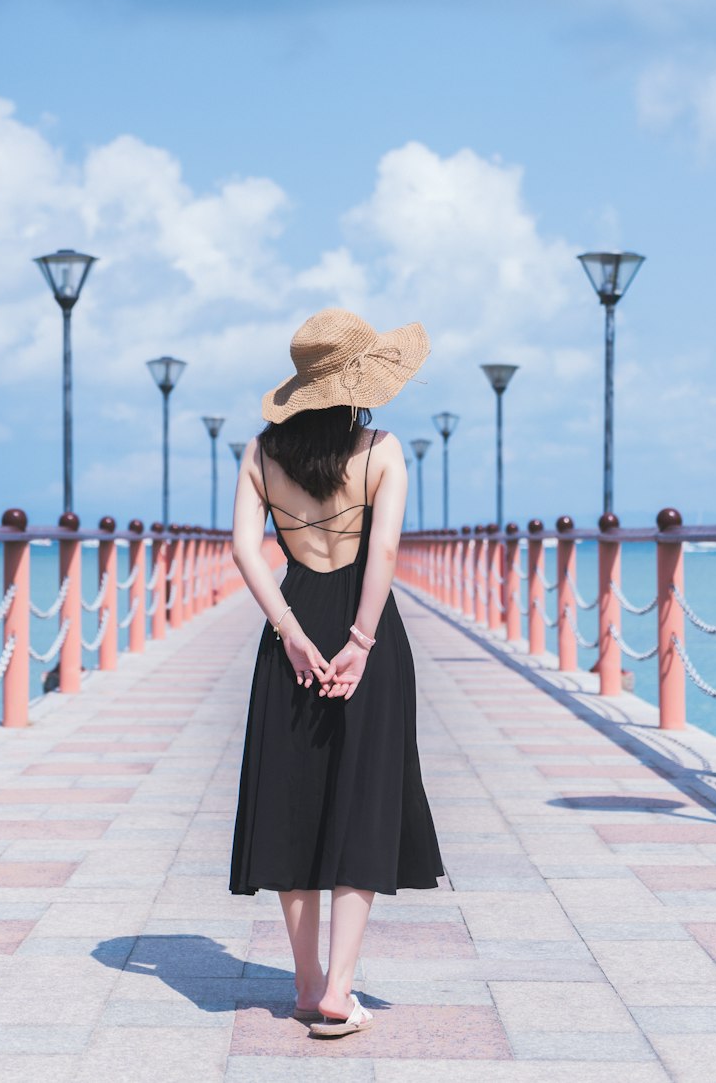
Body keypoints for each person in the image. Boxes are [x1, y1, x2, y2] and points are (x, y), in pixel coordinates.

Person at [229, 308, 445, 1039]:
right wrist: (361, 638)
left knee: (293, 799)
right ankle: (340, 988)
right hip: (366, 627)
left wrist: (289, 631)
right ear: (360, 383)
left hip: (291, 624)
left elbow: (243, 548)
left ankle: (305, 983)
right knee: (363, 799)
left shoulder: (261, 453)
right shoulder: (381, 450)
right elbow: (382, 554)